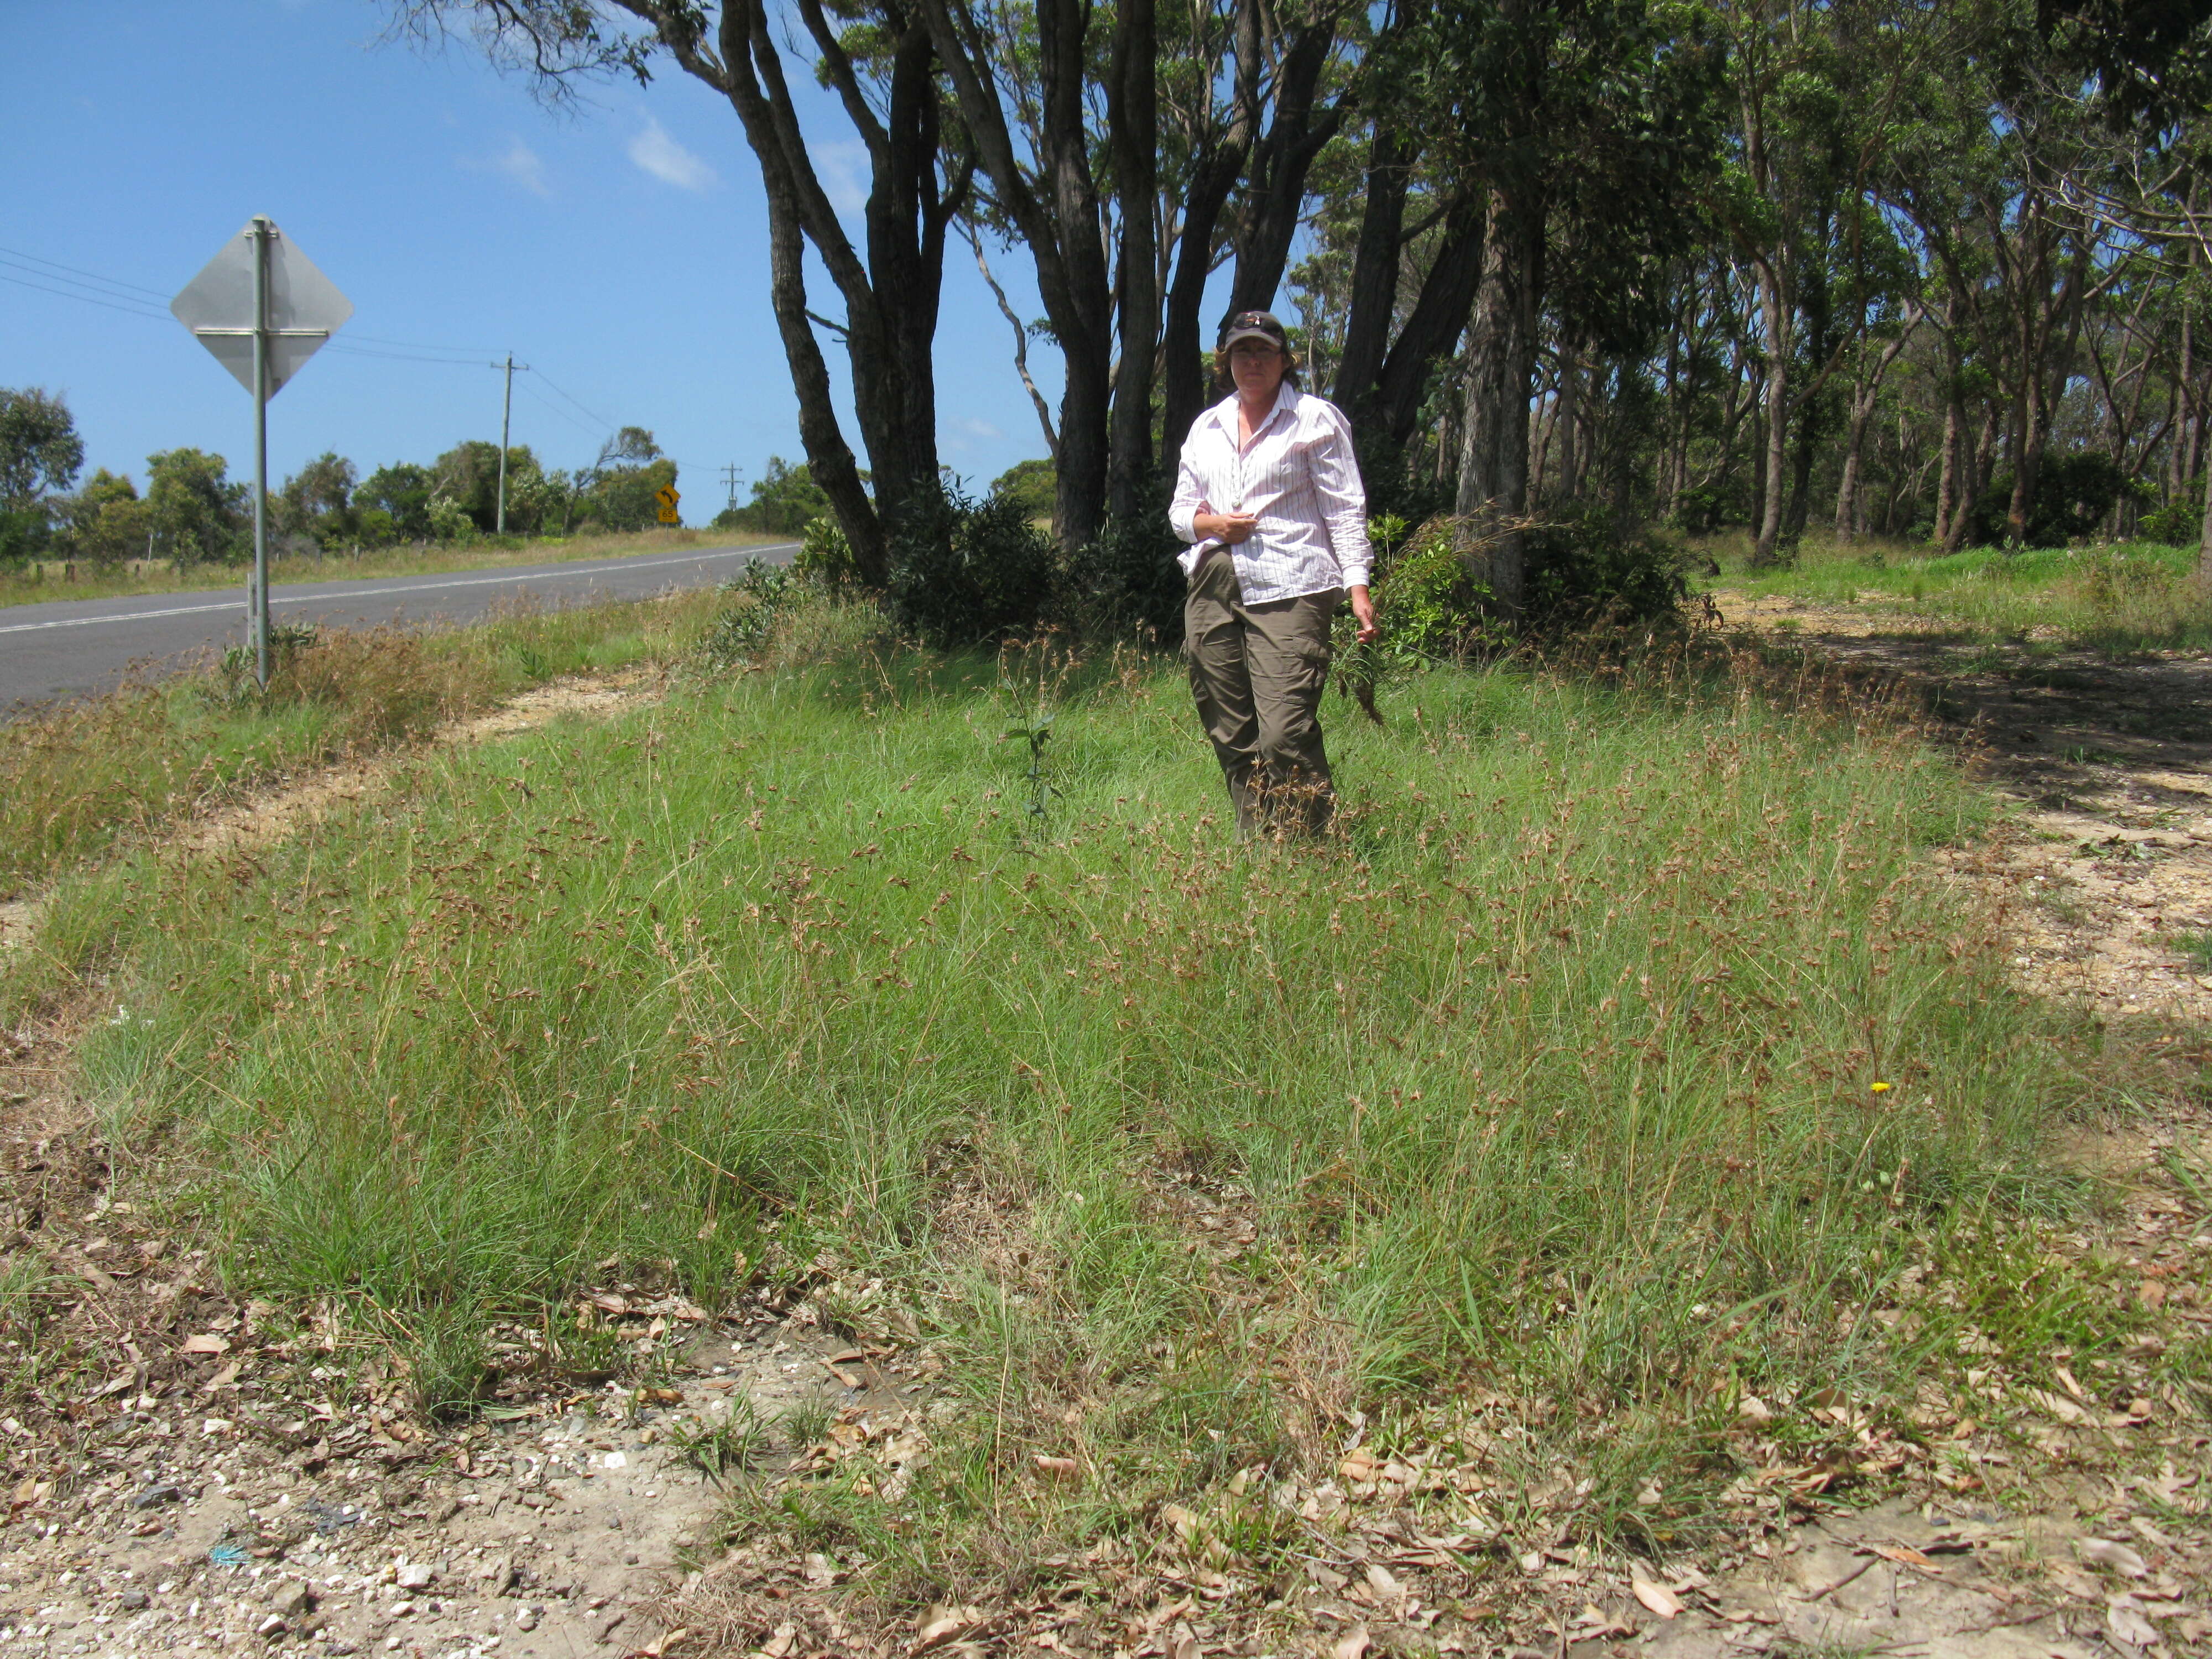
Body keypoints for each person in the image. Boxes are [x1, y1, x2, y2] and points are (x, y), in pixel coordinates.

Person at [1168, 310, 1377, 839]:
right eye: (1242, 352)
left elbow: (1344, 508)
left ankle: (1317, 851)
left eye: (1264, 352)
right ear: (1226, 362)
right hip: (1213, 583)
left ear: (1286, 361)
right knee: (1229, 729)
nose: (1253, 361)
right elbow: (1180, 514)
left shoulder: (1315, 419)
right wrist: (1213, 524)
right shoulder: (1206, 428)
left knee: (1284, 732)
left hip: (1294, 582)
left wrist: (1358, 587)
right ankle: (1260, 850)